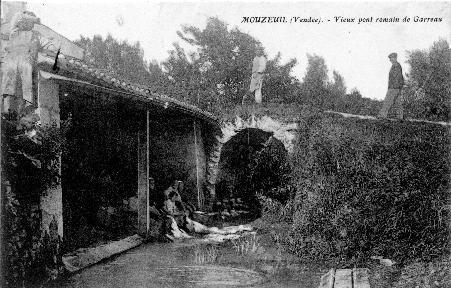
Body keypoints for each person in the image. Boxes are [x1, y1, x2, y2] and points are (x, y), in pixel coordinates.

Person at [378, 52, 405, 120]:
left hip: (393, 87)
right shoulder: (397, 65)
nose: (390, 60)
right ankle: (400, 117)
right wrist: (400, 88)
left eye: (391, 58)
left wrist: (392, 88)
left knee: (387, 101)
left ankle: (382, 115)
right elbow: (401, 78)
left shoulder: (396, 66)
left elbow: (397, 77)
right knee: (398, 103)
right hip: (397, 87)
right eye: (390, 58)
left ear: (395, 58)